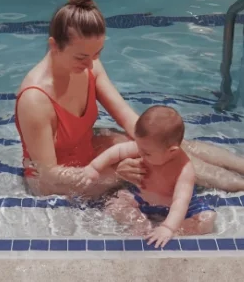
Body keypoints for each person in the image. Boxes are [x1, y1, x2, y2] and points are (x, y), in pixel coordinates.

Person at [13, 0, 244, 198]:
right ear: (53, 46)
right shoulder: (36, 100)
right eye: (82, 57)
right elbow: (49, 178)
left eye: (97, 54)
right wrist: (117, 175)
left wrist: (156, 141)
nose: (92, 63)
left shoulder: (89, 65)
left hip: (89, 152)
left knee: (166, 144)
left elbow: (128, 119)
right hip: (61, 181)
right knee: (155, 160)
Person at [83, 105, 214, 248]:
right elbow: (118, 151)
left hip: (178, 208)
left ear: (171, 151)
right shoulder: (147, 147)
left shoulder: (184, 170)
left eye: (146, 153)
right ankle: (141, 225)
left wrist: (168, 227)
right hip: (142, 199)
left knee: (206, 219)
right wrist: (94, 167)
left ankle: (176, 231)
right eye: (139, 147)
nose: (140, 153)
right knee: (115, 204)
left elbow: (179, 202)